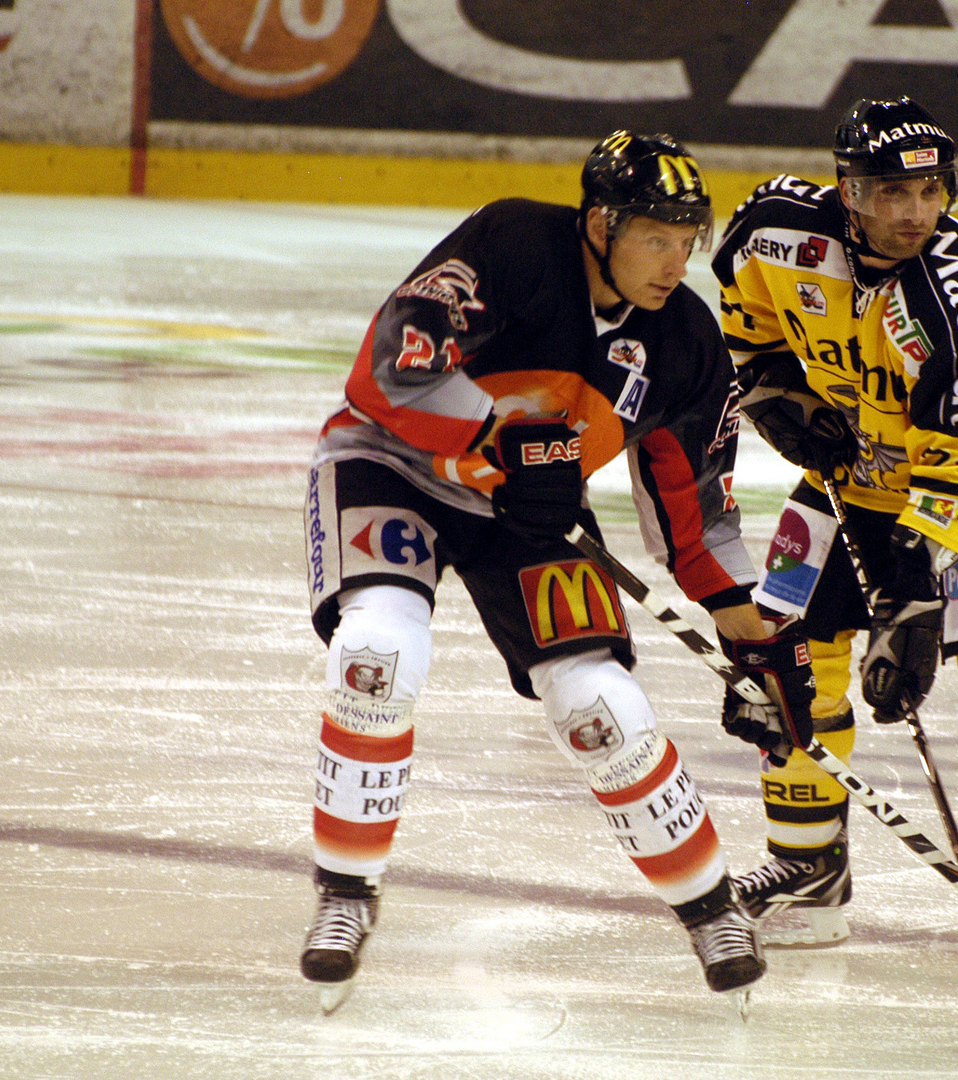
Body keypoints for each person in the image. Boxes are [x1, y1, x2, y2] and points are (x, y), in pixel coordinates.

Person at [297, 130, 818, 1010]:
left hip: (526, 514)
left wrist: (755, 635)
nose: (673, 260)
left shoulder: (686, 344)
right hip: (390, 464)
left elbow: (696, 514)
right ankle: (345, 896)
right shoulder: (512, 246)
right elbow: (390, 368)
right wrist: (500, 438)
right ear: (600, 222)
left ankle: (709, 907)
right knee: (377, 652)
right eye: (655, 235)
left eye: (686, 239)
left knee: (598, 704)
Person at [710, 97, 958, 991]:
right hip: (865, 465)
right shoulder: (771, 229)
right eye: (891, 192)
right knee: (787, 653)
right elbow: (748, 317)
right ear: (848, 190)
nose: (915, 212)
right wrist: (771, 386)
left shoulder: (954, 304)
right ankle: (811, 869)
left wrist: (912, 597)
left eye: (929, 190)